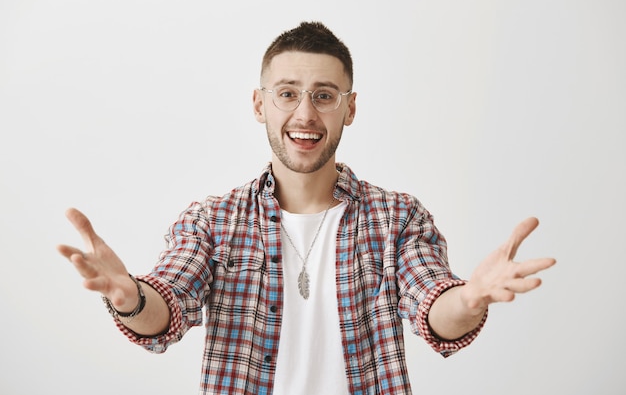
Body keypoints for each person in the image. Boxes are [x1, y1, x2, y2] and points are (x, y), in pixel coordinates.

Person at [57, 21, 556, 395]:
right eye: (287, 94)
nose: (305, 114)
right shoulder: (212, 221)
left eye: (324, 95)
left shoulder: (398, 218)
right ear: (259, 105)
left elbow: (434, 308)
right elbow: (167, 306)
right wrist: (130, 298)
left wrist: (469, 299)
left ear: (350, 108)